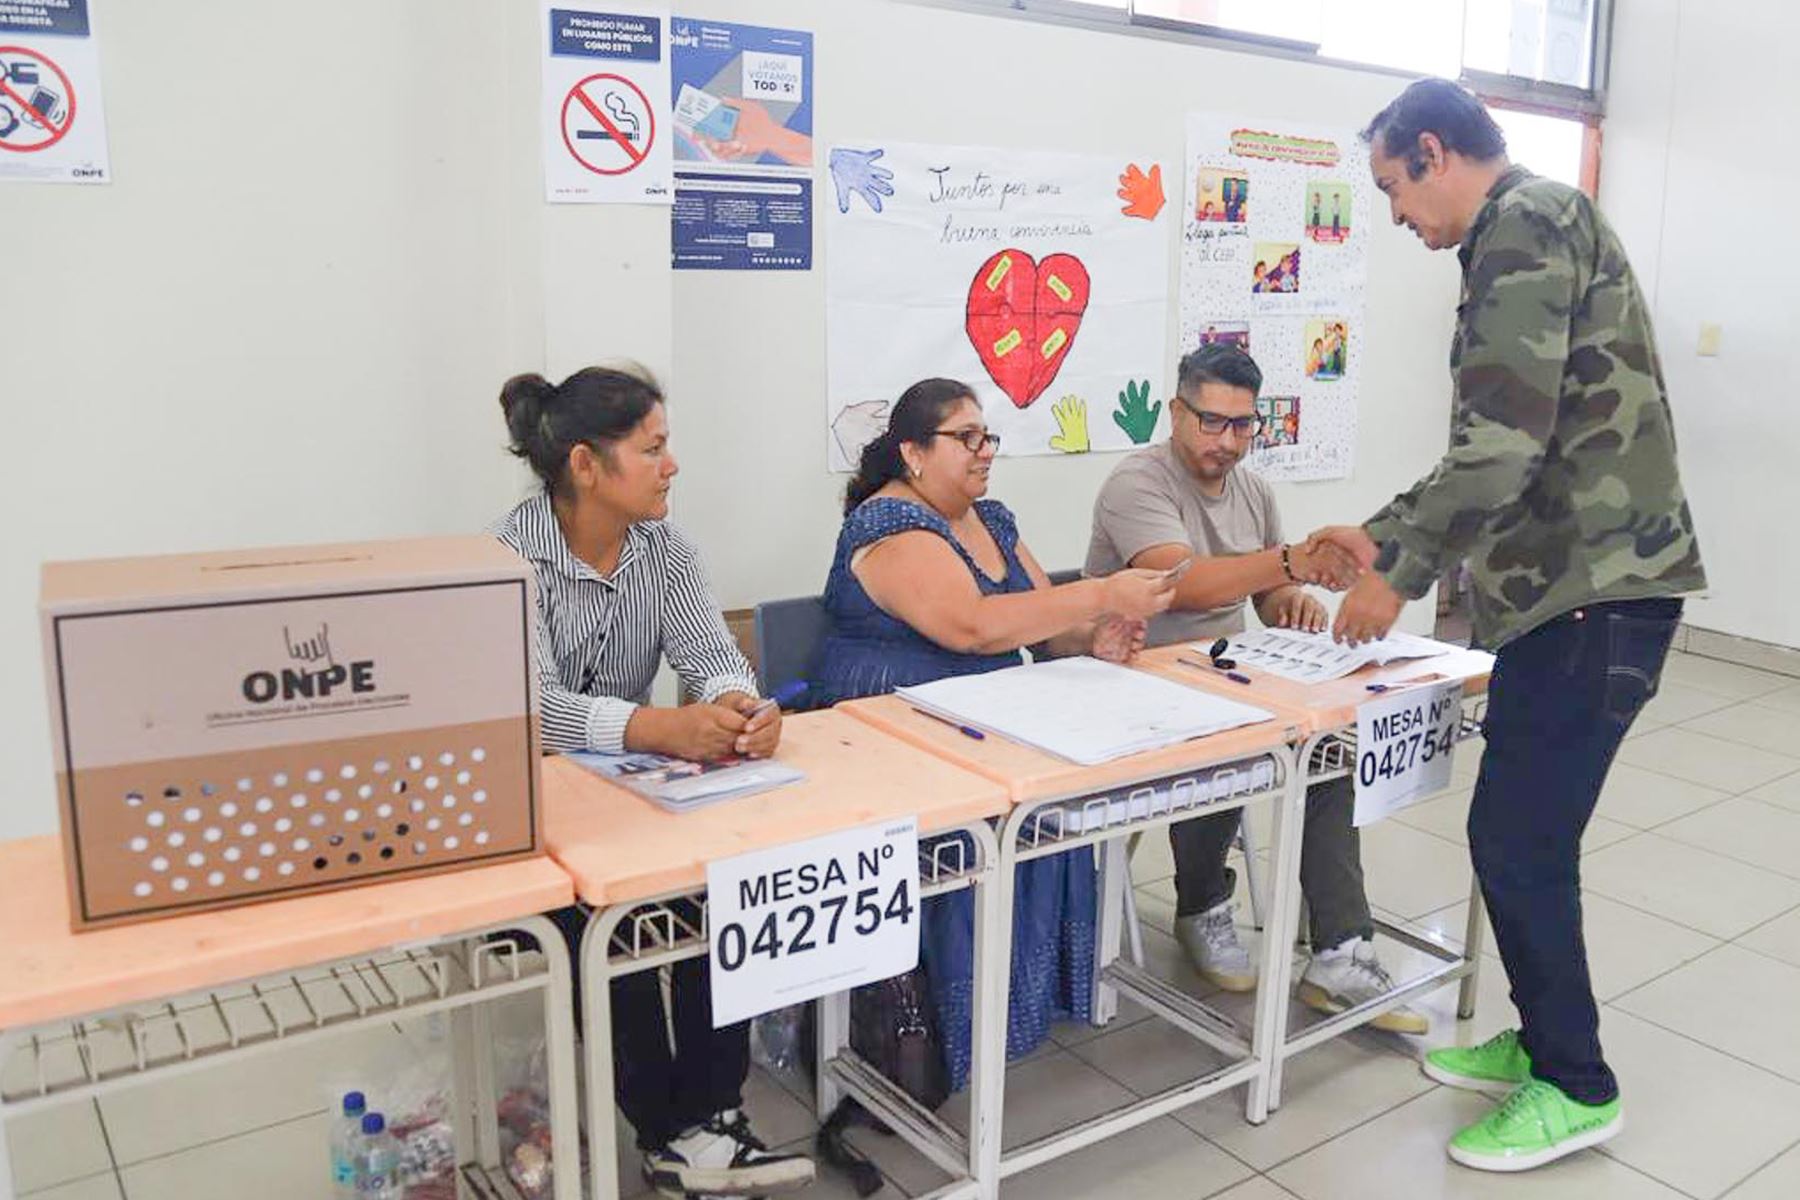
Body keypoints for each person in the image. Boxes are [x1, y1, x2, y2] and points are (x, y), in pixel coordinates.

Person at [1310, 78, 1707, 1173]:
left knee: (1519, 841)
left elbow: (1499, 452)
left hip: (1592, 596)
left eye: (1393, 186)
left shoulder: (1519, 225)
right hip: (1577, 589)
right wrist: (1384, 531)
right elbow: (1505, 438)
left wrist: (1398, 566)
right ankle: (1542, 1043)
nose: (1395, 213)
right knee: (1519, 833)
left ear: (1434, 153)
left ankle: (1576, 1085)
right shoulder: (1541, 216)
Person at [491, 365, 815, 1199]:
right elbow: (528, 713)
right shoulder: (505, 562)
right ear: (586, 466)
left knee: (726, 886)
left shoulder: (667, 551)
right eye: (653, 448)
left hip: (637, 790)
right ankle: (669, 1131)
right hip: (537, 814)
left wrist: (738, 705)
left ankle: (710, 1115)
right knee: (616, 926)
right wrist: (647, 726)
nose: (672, 465)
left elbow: (709, 657)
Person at [815, 377, 1174, 1089]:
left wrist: (1090, 637)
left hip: (987, 716)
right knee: (997, 810)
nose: (985, 453)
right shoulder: (888, 525)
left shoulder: (993, 518)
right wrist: (1104, 591)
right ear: (913, 453)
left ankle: (1024, 1004)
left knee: (1059, 791)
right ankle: (940, 1028)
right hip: (894, 729)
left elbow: (1038, 621)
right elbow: (972, 626)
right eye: (967, 438)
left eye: (989, 438)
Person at [1085, 343, 1429, 1034]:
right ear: (1177, 413)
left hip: (1222, 669)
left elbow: (1269, 591)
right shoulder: (1137, 482)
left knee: (1329, 746)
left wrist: (1291, 600)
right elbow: (1175, 581)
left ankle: (1341, 948)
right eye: (1212, 423)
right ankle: (1202, 904)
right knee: (1231, 736)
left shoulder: (1254, 488)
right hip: (1130, 676)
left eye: (1243, 426)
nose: (1228, 442)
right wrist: (1286, 561)